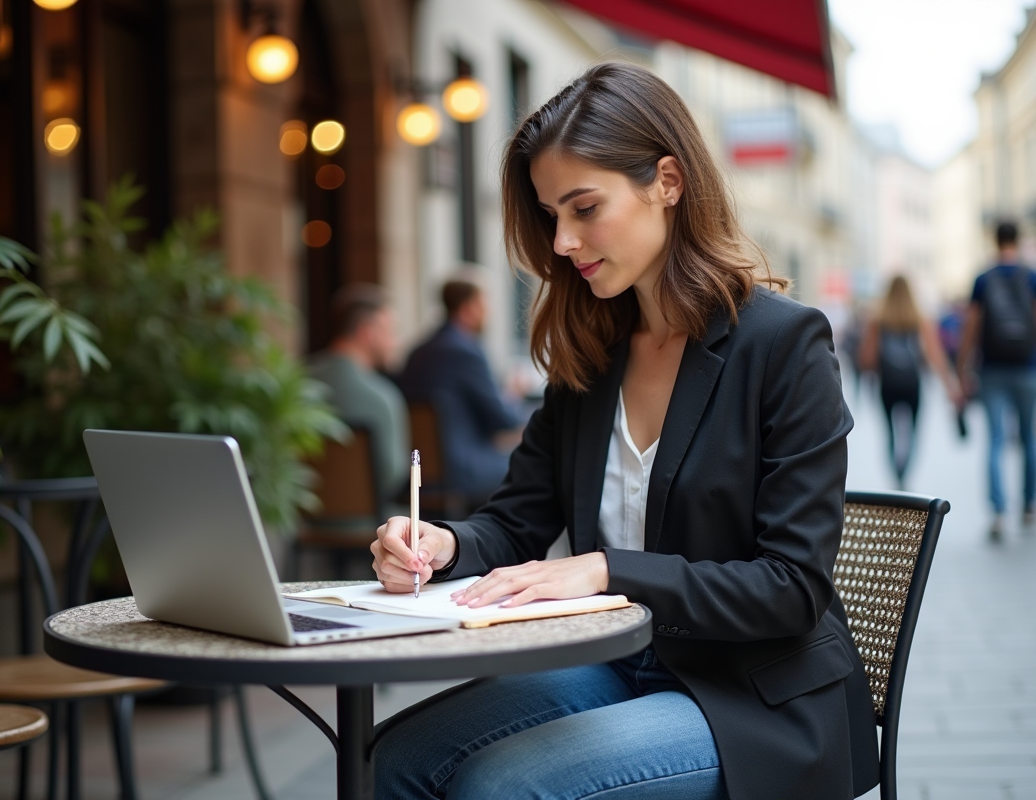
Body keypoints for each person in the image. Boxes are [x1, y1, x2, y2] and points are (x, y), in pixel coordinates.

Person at [370, 62, 878, 800]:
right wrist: (443, 545)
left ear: (667, 181)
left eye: (584, 208)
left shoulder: (783, 344)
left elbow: (791, 588)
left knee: (502, 787)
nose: (564, 241)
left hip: (754, 696)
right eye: (551, 216)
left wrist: (608, 568)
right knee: (394, 758)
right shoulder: (594, 350)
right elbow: (517, 523)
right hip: (621, 660)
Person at [398, 279, 523, 502]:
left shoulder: (417, 351)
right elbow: (503, 419)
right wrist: (515, 394)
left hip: (420, 469)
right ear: (469, 308)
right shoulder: (466, 351)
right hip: (461, 469)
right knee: (530, 465)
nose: (488, 313)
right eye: (484, 305)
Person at [957, 221, 1036, 540]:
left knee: (995, 441)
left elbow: (972, 327)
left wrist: (963, 368)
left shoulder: (983, 279)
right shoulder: (1030, 276)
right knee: (1029, 437)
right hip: (1027, 367)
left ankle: (998, 513)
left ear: (995, 240)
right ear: (1018, 240)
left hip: (991, 369)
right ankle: (1029, 505)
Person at [308, 283, 410, 505]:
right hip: (372, 525)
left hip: (305, 523)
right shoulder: (382, 397)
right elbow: (393, 476)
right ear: (367, 333)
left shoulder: (299, 383)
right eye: (391, 332)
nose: (396, 342)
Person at [858, 275, 962, 488]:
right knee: (913, 432)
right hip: (912, 384)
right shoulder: (920, 320)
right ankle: (905, 475)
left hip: (887, 385)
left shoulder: (878, 321)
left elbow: (866, 360)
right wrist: (951, 387)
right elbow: (936, 356)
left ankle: (896, 476)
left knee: (889, 433)